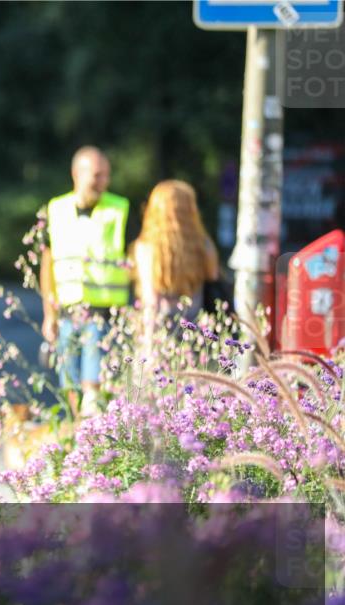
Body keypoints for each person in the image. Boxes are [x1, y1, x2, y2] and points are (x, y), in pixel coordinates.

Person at [39, 146, 131, 416]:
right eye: (97, 175)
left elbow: (136, 257)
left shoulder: (119, 209)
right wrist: (49, 314)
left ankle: (89, 440)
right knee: (69, 386)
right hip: (67, 316)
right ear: (76, 174)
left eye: (106, 176)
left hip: (102, 316)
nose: (103, 182)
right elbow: (48, 265)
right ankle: (74, 440)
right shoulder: (56, 210)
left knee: (93, 389)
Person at [129, 180, 220, 352]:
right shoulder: (204, 245)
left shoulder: (147, 247)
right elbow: (213, 278)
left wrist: (148, 346)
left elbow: (151, 300)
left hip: (161, 332)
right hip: (197, 332)